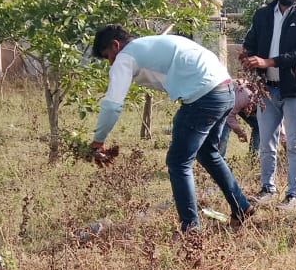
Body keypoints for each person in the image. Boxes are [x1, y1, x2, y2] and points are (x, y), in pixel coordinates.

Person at [89, 25, 252, 232]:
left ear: (115, 45)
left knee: (178, 163)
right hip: (226, 90)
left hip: (203, 96)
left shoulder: (125, 56)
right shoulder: (151, 43)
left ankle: (190, 229)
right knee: (208, 153)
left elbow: (112, 105)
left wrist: (98, 140)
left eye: (108, 56)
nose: (111, 63)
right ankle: (242, 207)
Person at [240, 0, 296, 210]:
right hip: (266, 89)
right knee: (266, 143)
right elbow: (250, 43)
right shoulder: (262, 15)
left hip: (295, 89)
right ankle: (267, 188)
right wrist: (247, 55)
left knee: (295, 142)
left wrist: (268, 61)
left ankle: (293, 194)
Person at [218, 78, 261, 159]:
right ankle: (219, 160)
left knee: (259, 125)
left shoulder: (263, 102)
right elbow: (230, 117)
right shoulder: (244, 99)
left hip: (244, 102)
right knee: (225, 128)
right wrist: (240, 133)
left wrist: (284, 138)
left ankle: (253, 157)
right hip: (227, 99)